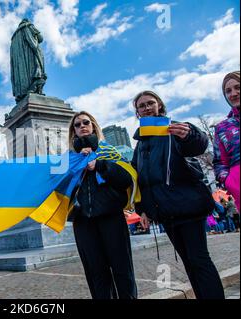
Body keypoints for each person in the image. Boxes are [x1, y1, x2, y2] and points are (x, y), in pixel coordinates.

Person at [132, 91, 224, 299]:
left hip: (187, 205)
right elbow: (140, 180)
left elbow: (197, 144)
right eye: (142, 106)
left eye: (150, 103)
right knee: (189, 263)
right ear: (137, 113)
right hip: (165, 211)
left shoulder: (174, 128)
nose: (146, 107)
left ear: (160, 106)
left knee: (199, 260)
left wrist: (189, 134)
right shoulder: (140, 145)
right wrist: (142, 209)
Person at [68, 111, 137, 299]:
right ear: (73, 131)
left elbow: (125, 179)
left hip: (111, 217)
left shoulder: (110, 151)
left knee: (122, 270)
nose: (82, 126)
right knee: (96, 273)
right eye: (77, 124)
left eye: (86, 122)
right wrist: (77, 165)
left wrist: (99, 164)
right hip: (83, 222)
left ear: (93, 126)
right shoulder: (69, 159)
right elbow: (61, 188)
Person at [213, 71, 240, 211]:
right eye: (228, 91)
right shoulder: (222, 128)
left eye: (238, 87)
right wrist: (229, 181)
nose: (233, 93)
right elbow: (219, 162)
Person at [10, 18, 47, 103]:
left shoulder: (14, 39)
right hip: (30, 60)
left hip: (19, 69)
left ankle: (23, 93)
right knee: (37, 74)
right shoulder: (28, 26)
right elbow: (40, 39)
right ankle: (34, 88)